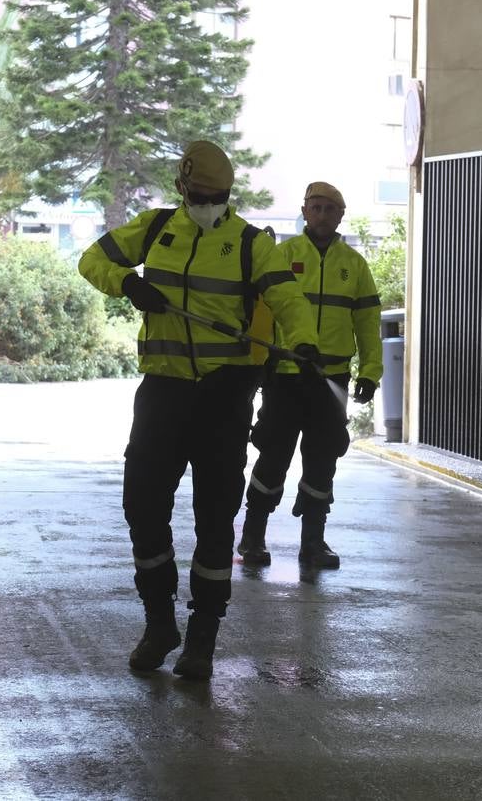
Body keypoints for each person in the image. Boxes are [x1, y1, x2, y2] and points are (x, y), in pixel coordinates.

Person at [79, 140, 318, 680]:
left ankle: (203, 635)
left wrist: (301, 342)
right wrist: (128, 284)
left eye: (216, 196)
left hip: (224, 395)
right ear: (182, 189)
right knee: (142, 507)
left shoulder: (251, 243)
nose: (206, 203)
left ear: (228, 195)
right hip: (162, 393)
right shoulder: (156, 227)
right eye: (199, 194)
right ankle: (159, 621)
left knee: (214, 518)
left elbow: (287, 300)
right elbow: (91, 259)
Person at [239, 181, 383, 570]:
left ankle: (313, 543)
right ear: (304, 211)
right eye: (315, 207)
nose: (321, 214)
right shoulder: (281, 256)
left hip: (331, 380)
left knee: (323, 461)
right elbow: (261, 315)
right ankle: (252, 538)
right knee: (272, 457)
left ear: (340, 215)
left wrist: (370, 373)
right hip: (284, 377)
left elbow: (368, 324)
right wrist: (258, 366)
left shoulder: (354, 266)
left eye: (329, 208)